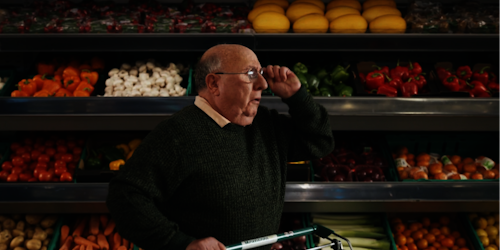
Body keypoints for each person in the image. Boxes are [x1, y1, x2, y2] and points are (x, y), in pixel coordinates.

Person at [106, 44, 334, 250]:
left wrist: (297, 97)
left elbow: (319, 143)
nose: (263, 84)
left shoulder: (267, 125)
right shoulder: (178, 134)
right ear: (214, 83)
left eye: (262, 74)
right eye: (251, 74)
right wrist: (181, 244)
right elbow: (125, 196)